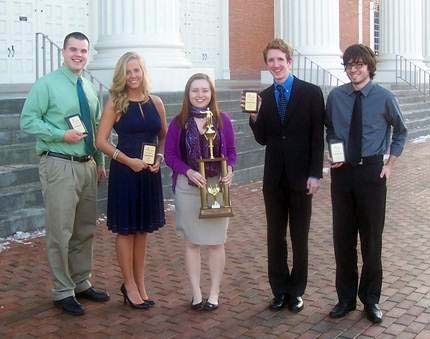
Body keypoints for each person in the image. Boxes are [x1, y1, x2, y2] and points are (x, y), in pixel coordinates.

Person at [20, 32, 110, 316]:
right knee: (61, 231)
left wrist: (100, 161)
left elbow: (95, 127)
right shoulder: (46, 85)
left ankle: (81, 282)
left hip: (87, 165)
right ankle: (62, 290)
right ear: (63, 51)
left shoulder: (89, 87)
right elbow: (28, 120)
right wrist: (60, 134)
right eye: (73, 49)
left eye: (83, 51)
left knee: (84, 230)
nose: (78, 55)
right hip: (59, 163)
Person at [325, 44, 407, 324]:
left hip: (372, 174)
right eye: (349, 64)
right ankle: (345, 299)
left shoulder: (384, 97)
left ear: (369, 66)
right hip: (343, 174)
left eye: (359, 64)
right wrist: (333, 151)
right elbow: (331, 131)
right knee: (343, 239)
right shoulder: (335, 97)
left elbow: (401, 130)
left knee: (371, 240)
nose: (354, 69)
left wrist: (390, 164)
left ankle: (370, 299)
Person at [247, 39, 325, 312]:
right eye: (271, 61)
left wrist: (316, 174)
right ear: (267, 64)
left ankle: (297, 291)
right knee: (275, 236)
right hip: (274, 179)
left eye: (280, 60)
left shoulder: (311, 93)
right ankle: (279, 290)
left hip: (303, 178)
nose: (276, 65)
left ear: (290, 62)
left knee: (299, 237)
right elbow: (263, 139)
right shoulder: (264, 97)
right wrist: (255, 116)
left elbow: (318, 137)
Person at [96, 52, 167, 309]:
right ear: (121, 75)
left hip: (148, 174)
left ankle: (140, 283)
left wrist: (159, 156)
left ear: (143, 72)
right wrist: (128, 160)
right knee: (126, 230)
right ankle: (129, 284)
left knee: (142, 230)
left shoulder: (155, 102)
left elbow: (164, 135)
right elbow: (100, 141)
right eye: (128, 72)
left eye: (137, 70)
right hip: (126, 173)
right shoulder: (116, 103)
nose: (133, 76)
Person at [165, 73, 236, 311]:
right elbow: (171, 156)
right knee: (192, 243)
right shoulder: (178, 122)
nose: (200, 95)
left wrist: (231, 170)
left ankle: (214, 293)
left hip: (216, 188)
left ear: (211, 93)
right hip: (189, 188)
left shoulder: (222, 120)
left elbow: (233, 152)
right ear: (188, 94)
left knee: (216, 243)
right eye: (195, 90)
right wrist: (187, 171)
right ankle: (196, 294)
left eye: (205, 90)